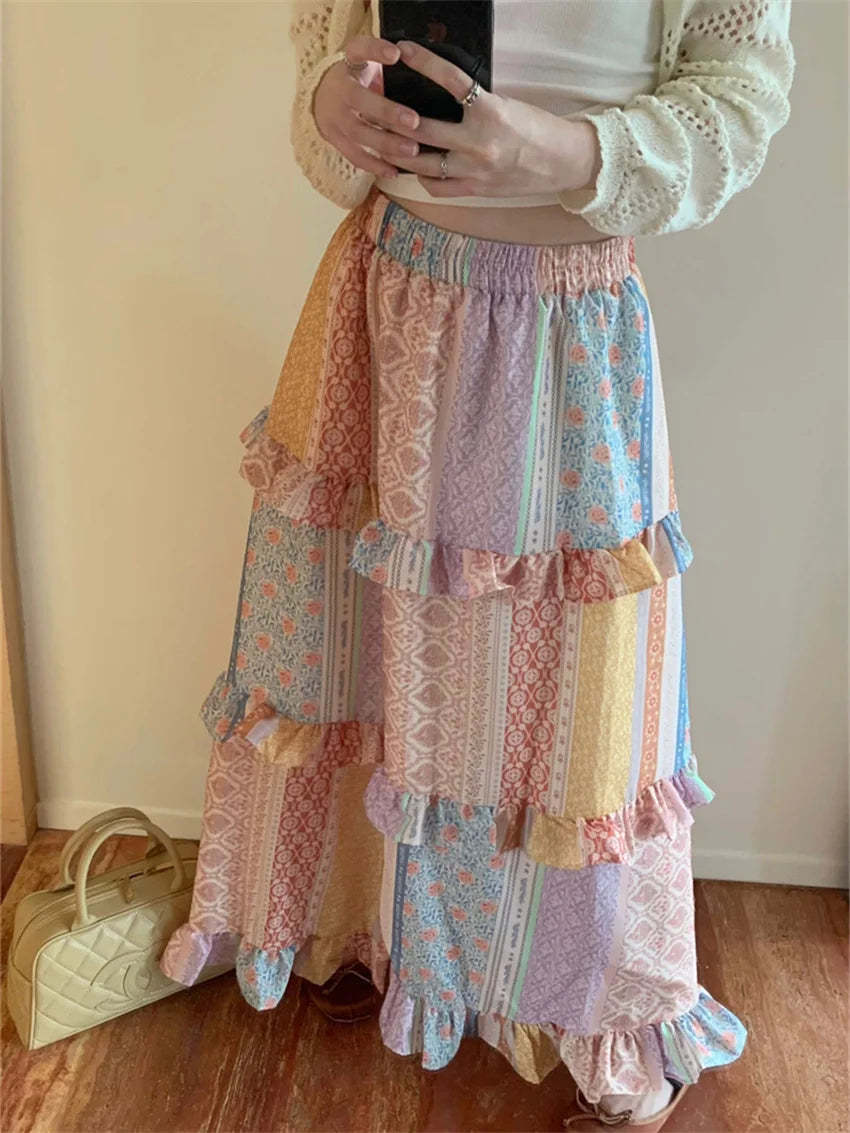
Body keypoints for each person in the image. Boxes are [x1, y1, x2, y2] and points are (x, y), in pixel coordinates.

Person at [160, 2, 795, 1129]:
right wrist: (330, 106)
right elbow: (324, 58)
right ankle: (370, 927)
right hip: (382, 297)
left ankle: (590, 1006)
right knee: (362, 653)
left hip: (568, 322)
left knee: (575, 698)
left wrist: (559, 151)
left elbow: (737, 109)